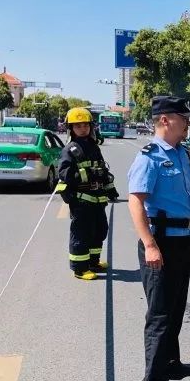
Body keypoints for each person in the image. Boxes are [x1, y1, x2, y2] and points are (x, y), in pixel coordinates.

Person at [127, 95, 190, 381]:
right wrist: (149, 245)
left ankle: (172, 364)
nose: (189, 122)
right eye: (184, 117)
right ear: (166, 120)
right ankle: (154, 379)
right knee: (160, 313)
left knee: (176, 308)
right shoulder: (149, 157)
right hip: (159, 243)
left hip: (183, 240)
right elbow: (136, 201)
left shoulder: (182, 153)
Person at [55, 107, 119, 280]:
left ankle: (93, 262)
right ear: (71, 129)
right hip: (81, 200)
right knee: (82, 233)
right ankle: (80, 268)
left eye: (85, 125)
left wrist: (109, 187)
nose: (83, 129)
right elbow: (64, 173)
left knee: (100, 230)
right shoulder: (70, 149)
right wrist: (87, 174)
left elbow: (101, 169)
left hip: (98, 198)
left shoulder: (93, 146)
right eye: (78, 126)